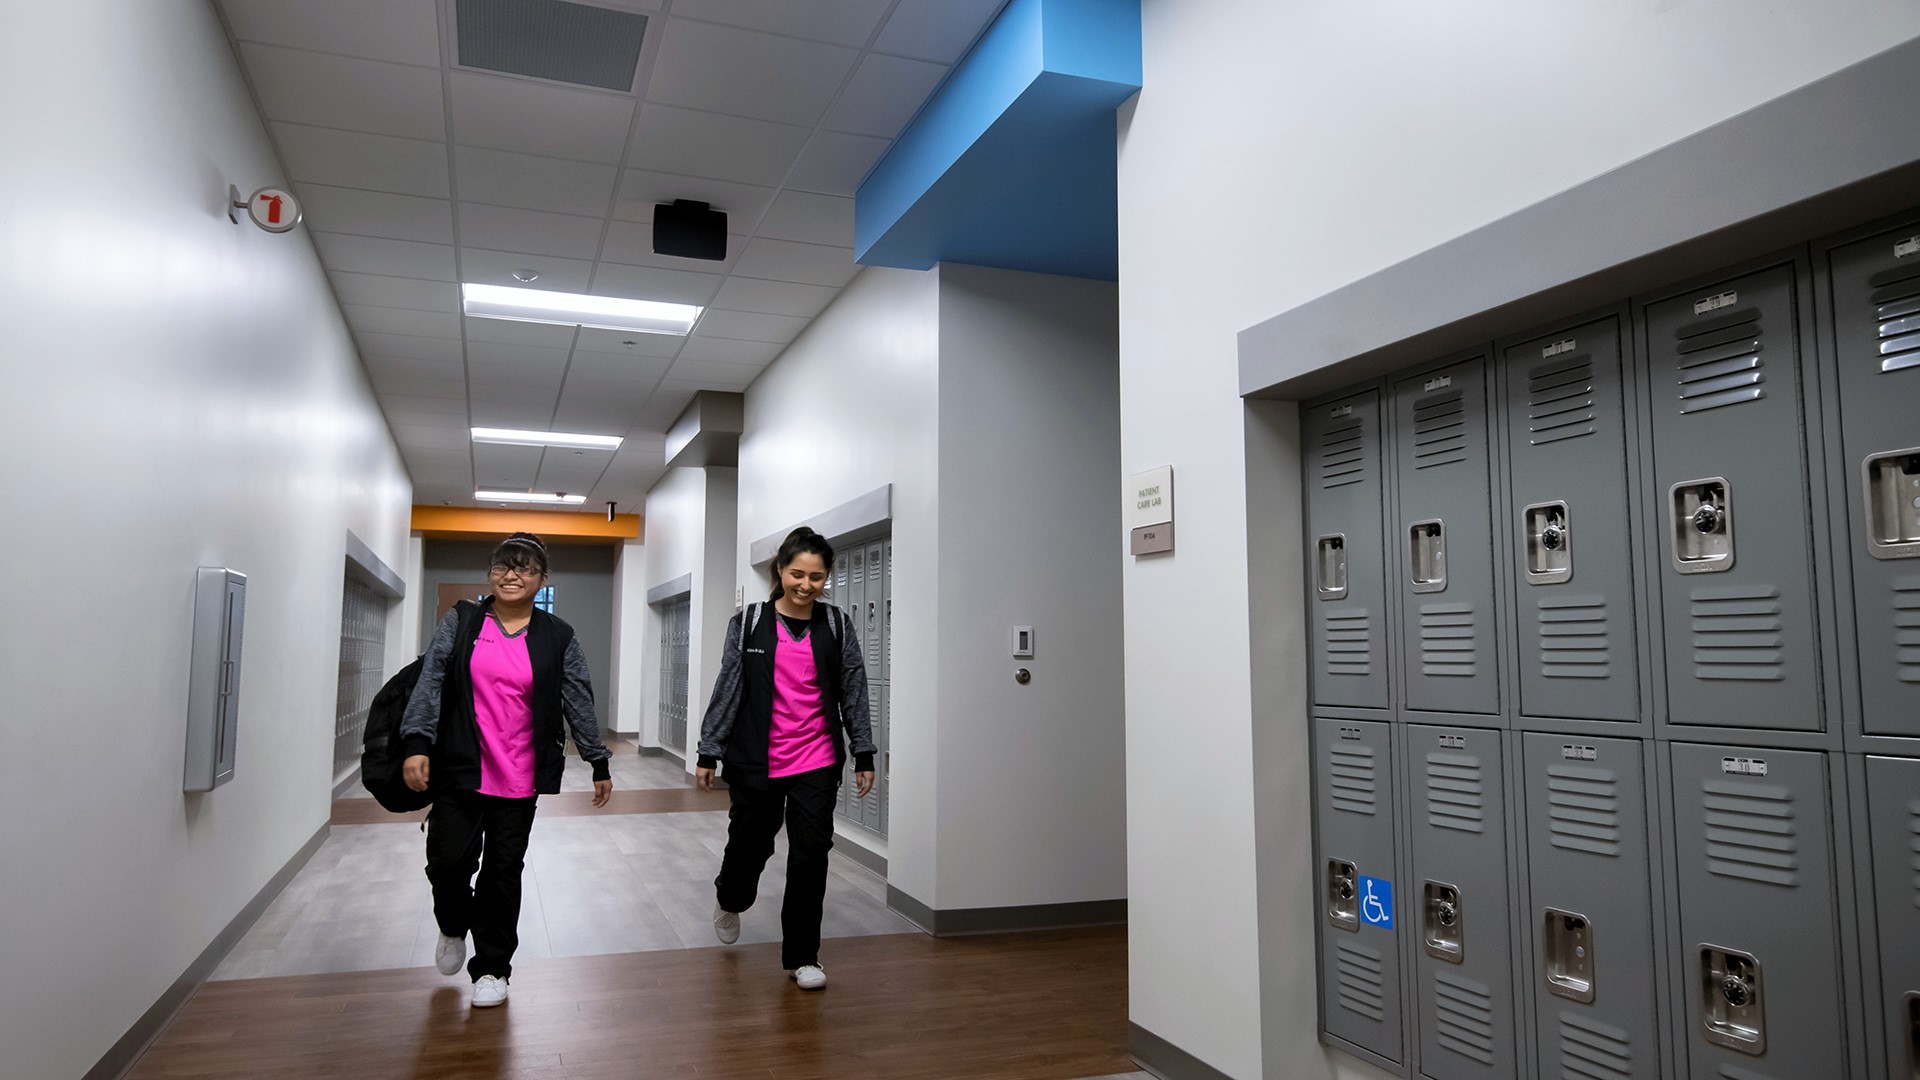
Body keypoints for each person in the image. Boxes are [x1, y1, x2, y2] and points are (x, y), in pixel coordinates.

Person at [398, 531, 613, 1008]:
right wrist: (417, 742)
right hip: (461, 766)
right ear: (490, 573)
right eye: (503, 566)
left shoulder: (559, 636)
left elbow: (577, 698)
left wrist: (598, 759)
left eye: (525, 568)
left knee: (502, 872)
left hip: (520, 774)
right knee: (448, 864)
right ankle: (453, 925)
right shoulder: (463, 619)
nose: (512, 575)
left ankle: (493, 967)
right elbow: (432, 677)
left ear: (542, 579)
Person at [697, 526, 876, 991]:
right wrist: (709, 749)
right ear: (780, 570)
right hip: (757, 761)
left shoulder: (836, 625)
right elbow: (729, 687)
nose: (806, 585)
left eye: (816, 577)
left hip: (815, 759)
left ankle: (803, 956)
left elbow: (853, 689)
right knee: (750, 847)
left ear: (826, 579)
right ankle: (730, 897)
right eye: (797, 574)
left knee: (811, 854)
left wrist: (863, 751)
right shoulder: (750, 622)